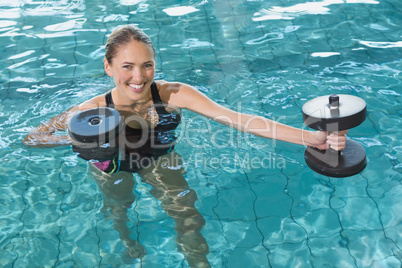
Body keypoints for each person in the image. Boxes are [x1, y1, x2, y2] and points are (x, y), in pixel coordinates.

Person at [23, 25, 347, 267]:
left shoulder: (173, 94)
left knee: (190, 216)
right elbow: (33, 139)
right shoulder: (90, 110)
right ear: (108, 68)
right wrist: (88, 138)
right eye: (127, 66)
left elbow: (237, 118)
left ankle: (199, 263)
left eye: (147, 65)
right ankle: (125, 238)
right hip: (112, 166)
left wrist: (312, 137)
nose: (139, 76)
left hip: (161, 160)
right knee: (119, 209)